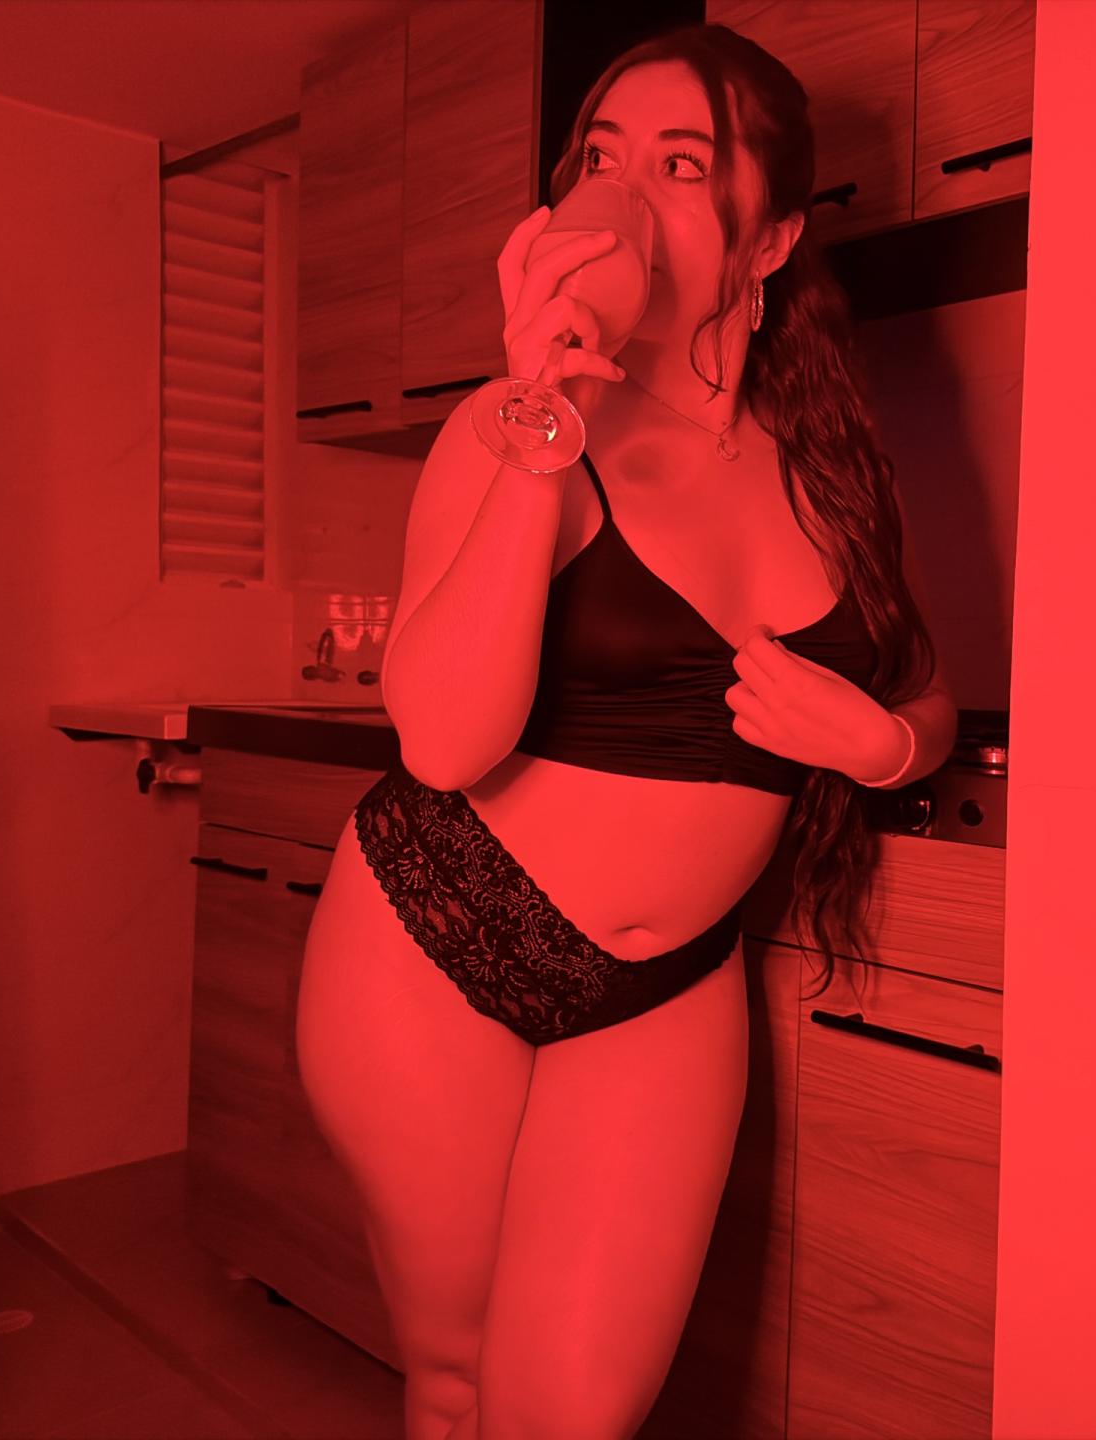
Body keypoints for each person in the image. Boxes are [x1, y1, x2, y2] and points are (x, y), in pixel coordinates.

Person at [293, 21, 953, 1440]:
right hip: (436, 939)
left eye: (679, 165)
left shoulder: (834, 471)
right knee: (457, 1381)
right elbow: (443, 744)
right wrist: (543, 416)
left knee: (573, 1414)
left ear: (771, 240)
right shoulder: (511, 425)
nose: (620, 199)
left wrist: (876, 746)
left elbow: (927, 699)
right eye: (600, 158)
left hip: (665, 997)